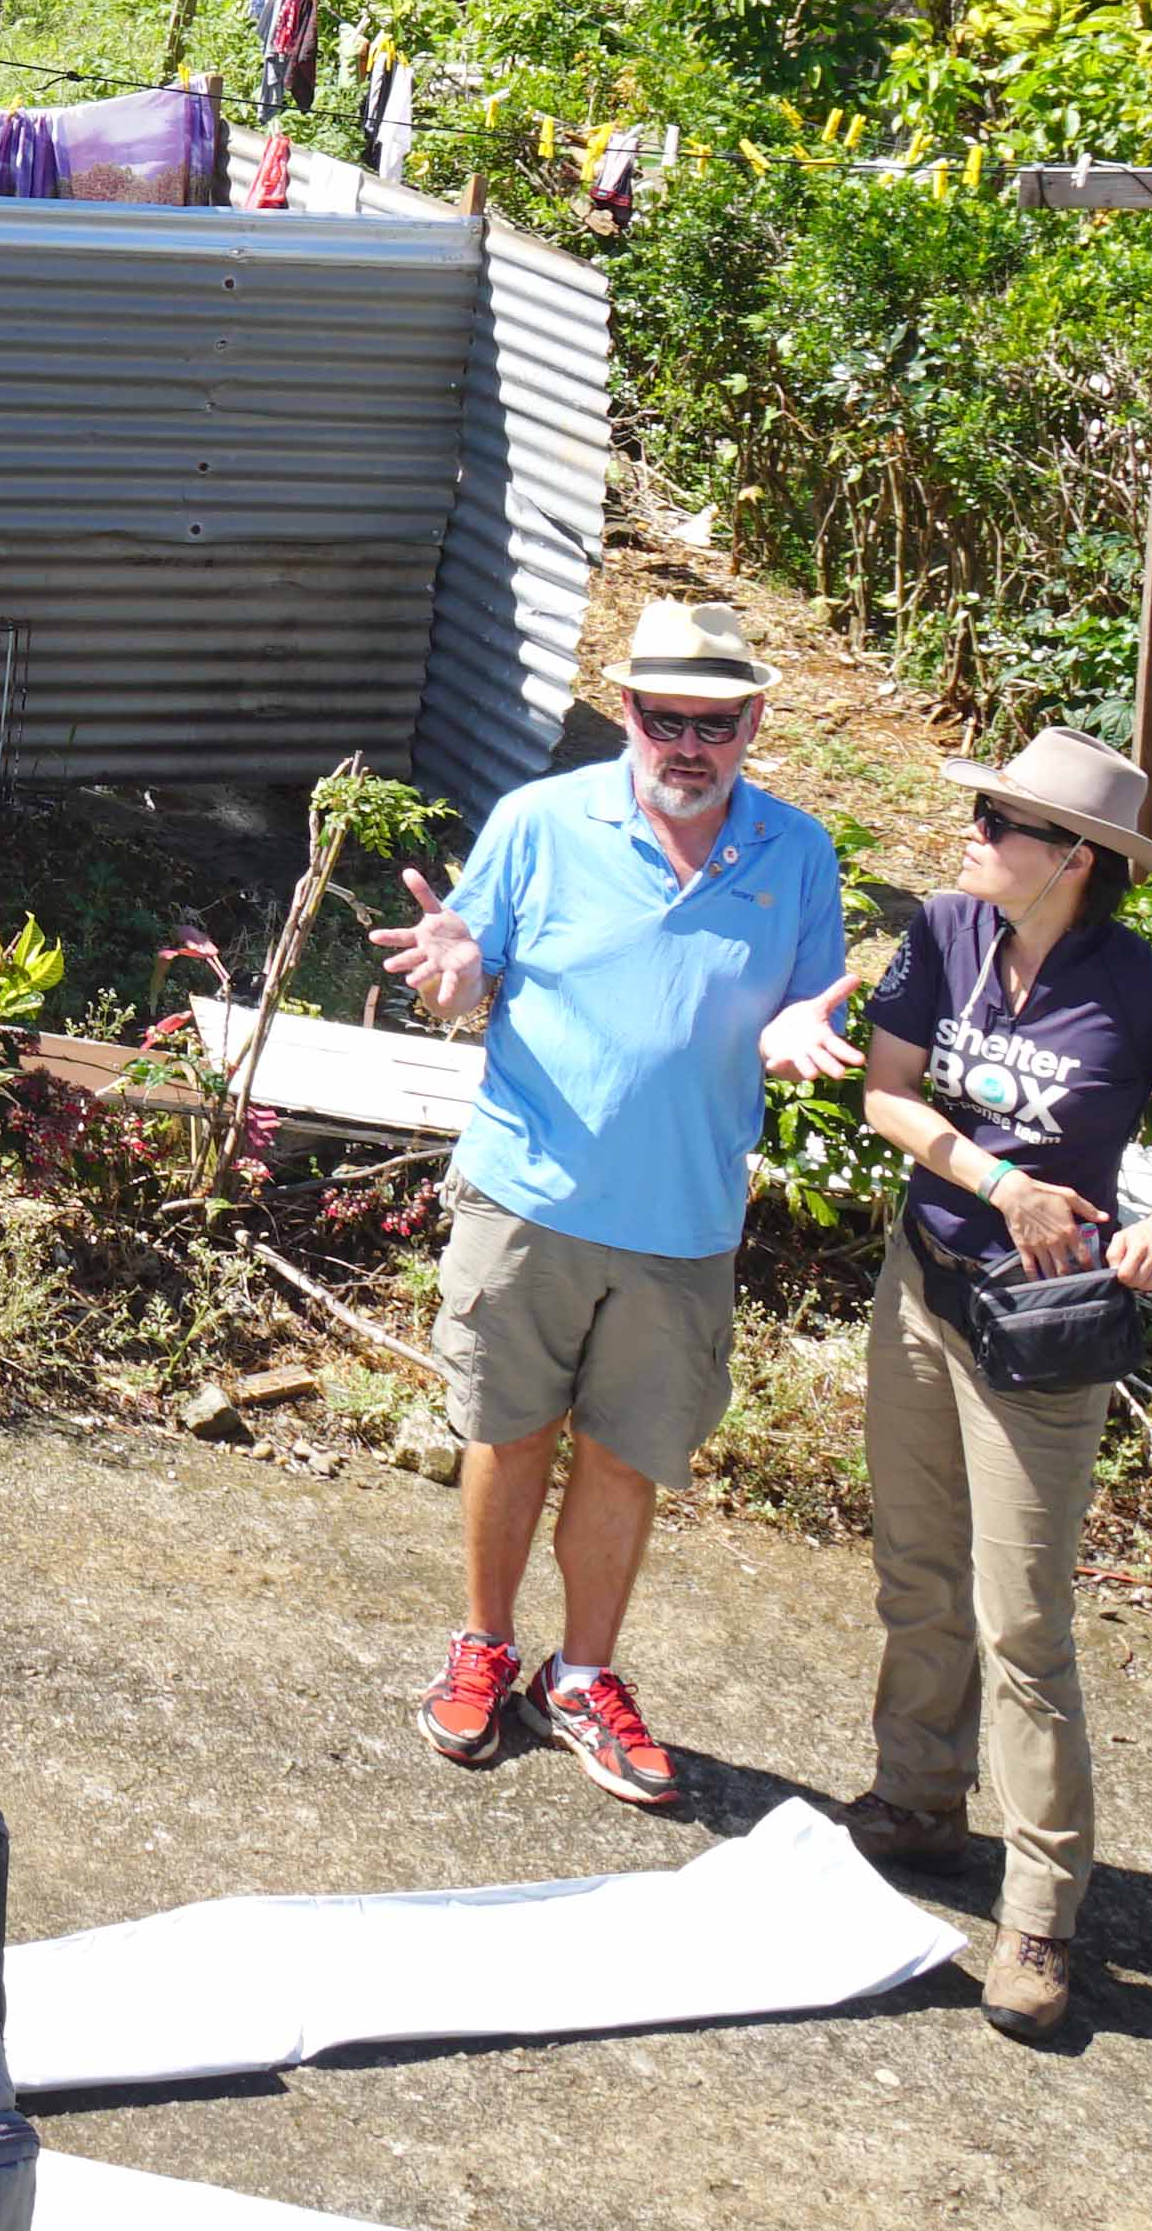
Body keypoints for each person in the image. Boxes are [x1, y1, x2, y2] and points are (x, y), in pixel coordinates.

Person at [369, 598, 861, 1805]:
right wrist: (454, 973)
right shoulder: (540, 822)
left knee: (628, 1458)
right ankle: (482, 1648)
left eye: (717, 722)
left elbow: (818, 1000)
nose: (688, 744)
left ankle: (579, 1676)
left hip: (685, 1220)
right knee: (508, 1428)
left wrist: (811, 1022)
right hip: (528, 1195)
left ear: (753, 722)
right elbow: (463, 967)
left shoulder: (796, 853)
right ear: (627, 712)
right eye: (662, 717)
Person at [846, 726, 1152, 2044]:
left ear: (1077, 860)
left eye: (1003, 819)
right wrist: (1000, 1183)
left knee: (1021, 1624)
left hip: (1039, 1337)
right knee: (915, 1570)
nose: (976, 831)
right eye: (983, 810)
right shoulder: (942, 934)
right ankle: (919, 1798)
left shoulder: (1142, 989)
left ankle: (1040, 1915)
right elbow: (888, 1098)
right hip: (923, 1283)